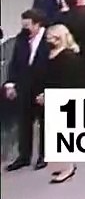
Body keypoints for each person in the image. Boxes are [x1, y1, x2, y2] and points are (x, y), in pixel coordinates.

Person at [4, 10, 50, 171]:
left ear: (37, 24)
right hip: (24, 86)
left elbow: (53, 67)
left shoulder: (49, 39)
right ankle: (24, 156)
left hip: (42, 86)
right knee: (24, 122)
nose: (25, 29)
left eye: (27, 25)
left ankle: (44, 155)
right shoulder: (21, 39)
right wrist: (10, 83)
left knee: (45, 122)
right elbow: (14, 62)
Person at [42, 23, 84, 183]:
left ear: (59, 38)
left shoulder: (68, 57)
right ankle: (62, 165)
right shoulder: (53, 54)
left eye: (50, 37)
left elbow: (69, 82)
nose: (48, 40)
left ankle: (68, 168)